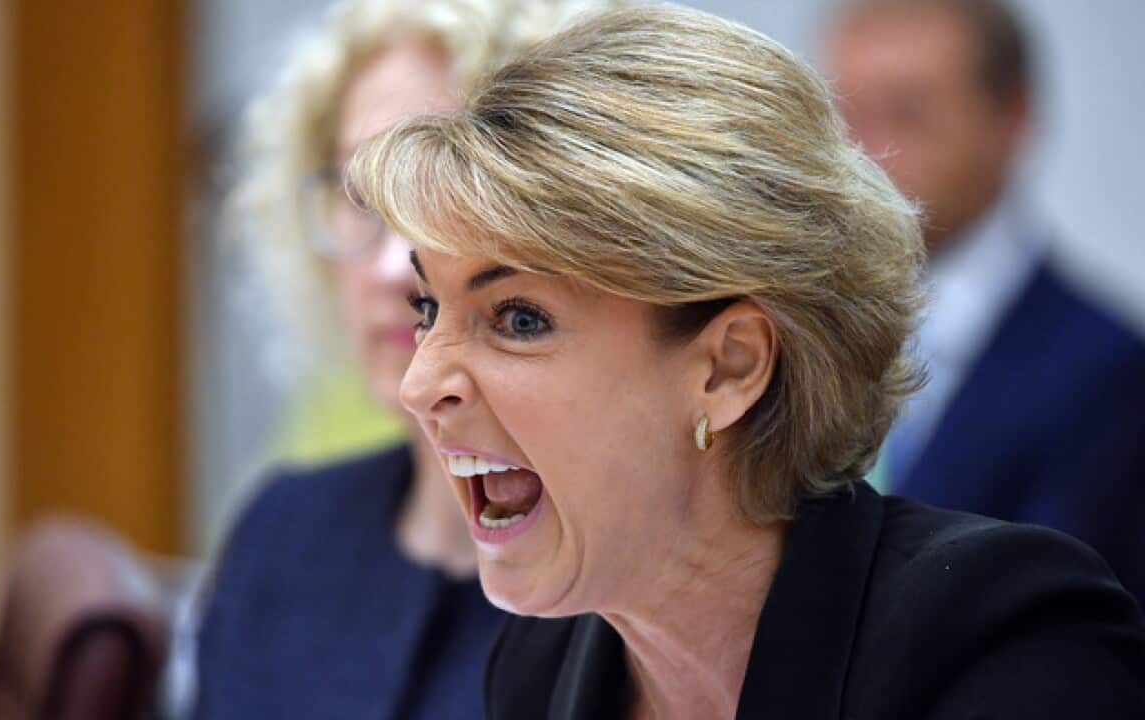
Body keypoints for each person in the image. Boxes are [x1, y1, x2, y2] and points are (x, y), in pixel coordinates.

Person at [348, 5, 1145, 718]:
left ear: (729, 367)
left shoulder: (1005, 644)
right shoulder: (536, 669)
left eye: (518, 318)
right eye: (430, 310)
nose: (420, 386)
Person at [191, 0, 608, 717]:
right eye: (362, 197)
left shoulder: (632, 589)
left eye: (444, 198)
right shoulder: (281, 532)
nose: (392, 266)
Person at [825, 0, 1145, 601]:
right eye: (846, 119)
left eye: (908, 115)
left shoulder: (1110, 373)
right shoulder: (783, 338)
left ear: (1012, 116)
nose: (864, 157)